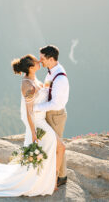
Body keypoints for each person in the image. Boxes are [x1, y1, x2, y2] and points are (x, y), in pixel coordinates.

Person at [0, 54, 65, 197]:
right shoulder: (28, 85)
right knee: (59, 148)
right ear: (31, 67)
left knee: (52, 150)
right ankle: (53, 181)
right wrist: (33, 133)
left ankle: (52, 179)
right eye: (36, 61)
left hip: (42, 122)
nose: (39, 61)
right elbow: (29, 112)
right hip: (38, 125)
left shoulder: (33, 79)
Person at [33, 45, 69, 187]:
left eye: (42, 58)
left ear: (51, 59)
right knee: (53, 144)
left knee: (57, 145)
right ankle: (57, 173)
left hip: (56, 115)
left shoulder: (60, 78)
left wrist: (35, 108)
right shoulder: (51, 72)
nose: (40, 61)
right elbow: (47, 90)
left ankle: (62, 176)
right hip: (49, 114)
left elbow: (55, 103)